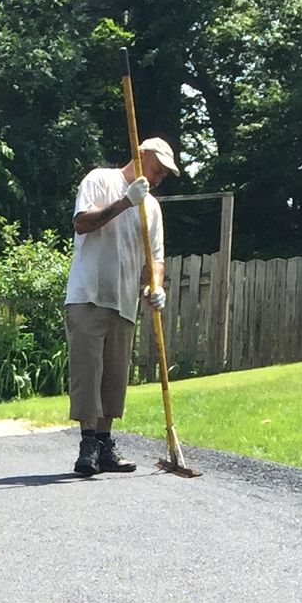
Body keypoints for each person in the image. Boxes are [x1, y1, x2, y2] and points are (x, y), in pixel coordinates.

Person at [64, 137, 177, 478]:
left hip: (124, 299)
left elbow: (154, 258)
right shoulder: (100, 180)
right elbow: (82, 223)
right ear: (141, 155)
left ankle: (104, 443)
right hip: (88, 294)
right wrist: (125, 203)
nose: (157, 179)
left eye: (162, 176)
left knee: (114, 377)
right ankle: (87, 444)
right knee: (88, 371)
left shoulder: (152, 208)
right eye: (157, 170)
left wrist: (156, 286)